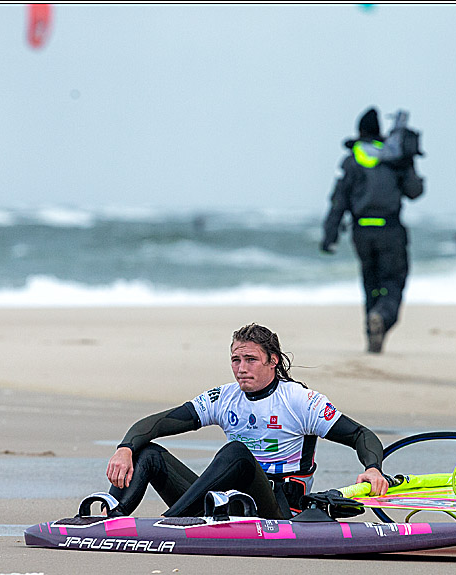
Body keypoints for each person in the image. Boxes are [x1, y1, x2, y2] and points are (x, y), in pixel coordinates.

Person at [103, 323, 390, 520]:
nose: (241, 369)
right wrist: (125, 447)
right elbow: (158, 423)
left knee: (237, 452)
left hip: (278, 511)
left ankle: (170, 521)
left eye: (250, 359)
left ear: (273, 360)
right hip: (226, 502)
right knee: (146, 451)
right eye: (235, 360)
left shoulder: (299, 401)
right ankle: (111, 516)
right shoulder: (223, 398)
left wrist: (373, 469)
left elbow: (360, 435)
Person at [321, 107, 425, 354]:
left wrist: (330, 235)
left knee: (371, 283)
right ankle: (382, 316)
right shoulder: (395, 158)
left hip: (361, 233)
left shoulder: (351, 160)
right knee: (394, 281)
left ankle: (372, 335)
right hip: (390, 229)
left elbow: (338, 200)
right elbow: (415, 192)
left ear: (359, 131)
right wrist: (409, 162)